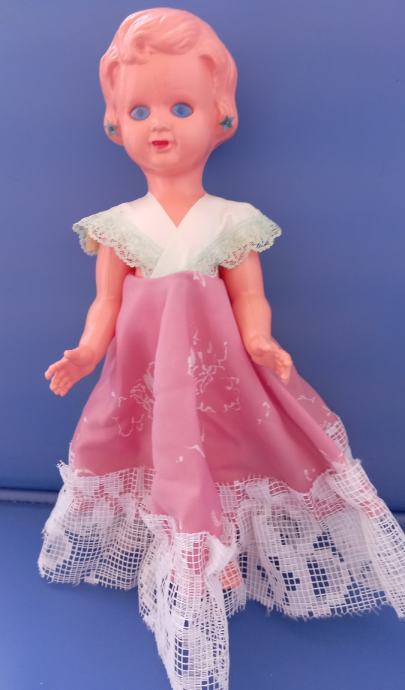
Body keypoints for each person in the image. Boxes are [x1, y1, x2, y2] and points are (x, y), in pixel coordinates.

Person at [38, 8, 405, 690]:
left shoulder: (233, 221)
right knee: (158, 460)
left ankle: (222, 556)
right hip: (147, 380)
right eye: (140, 110)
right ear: (115, 124)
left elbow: (248, 296)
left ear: (221, 118)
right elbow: (106, 303)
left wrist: (260, 338)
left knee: (224, 458)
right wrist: (86, 352)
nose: (160, 124)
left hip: (219, 377)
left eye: (181, 107)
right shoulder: (117, 227)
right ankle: (183, 559)